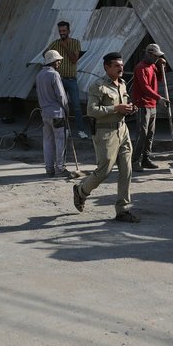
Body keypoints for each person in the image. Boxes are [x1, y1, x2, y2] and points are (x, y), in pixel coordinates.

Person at [72, 52, 139, 223]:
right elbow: (91, 111)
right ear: (107, 67)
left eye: (122, 65)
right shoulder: (98, 86)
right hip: (105, 133)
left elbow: (123, 105)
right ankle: (81, 191)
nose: (121, 68)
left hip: (123, 130)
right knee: (104, 171)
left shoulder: (122, 84)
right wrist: (116, 108)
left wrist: (130, 108)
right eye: (116, 65)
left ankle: (123, 210)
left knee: (126, 170)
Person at [36, 49, 82, 179]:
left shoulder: (39, 75)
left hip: (45, 113)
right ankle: (60, 168)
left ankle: (49, 169)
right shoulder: (54, 75)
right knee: (60, 141)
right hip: (57, 113)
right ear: (53, 62)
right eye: (58, 61)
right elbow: (61, 96)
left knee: (47, 141)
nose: (59, 63)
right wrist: (67, 110)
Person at [46, 21, 88, 139]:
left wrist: (65, 47)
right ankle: (64, 130)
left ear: (69, 31)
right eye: (60, 31)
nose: (62, 33)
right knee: (61, 106)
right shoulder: (55, 44)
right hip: (59, 80)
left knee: (76, 106)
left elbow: (74, 59)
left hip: (71, 80)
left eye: (64, 31)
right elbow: (46, 54)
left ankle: (81, 130)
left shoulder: (75, 43)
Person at [131, 43, 167, 172]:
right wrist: (159, 98)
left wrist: (162, 66)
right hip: (142, 104)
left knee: (150, 133)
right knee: (142, 133)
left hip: (152, 105)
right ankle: (135, 161)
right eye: (156, 56)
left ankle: (146, 159)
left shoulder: (152, 66)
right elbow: (145, 88)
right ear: (149, 54)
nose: (157, 58)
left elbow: (160, 79)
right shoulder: (140, 68)